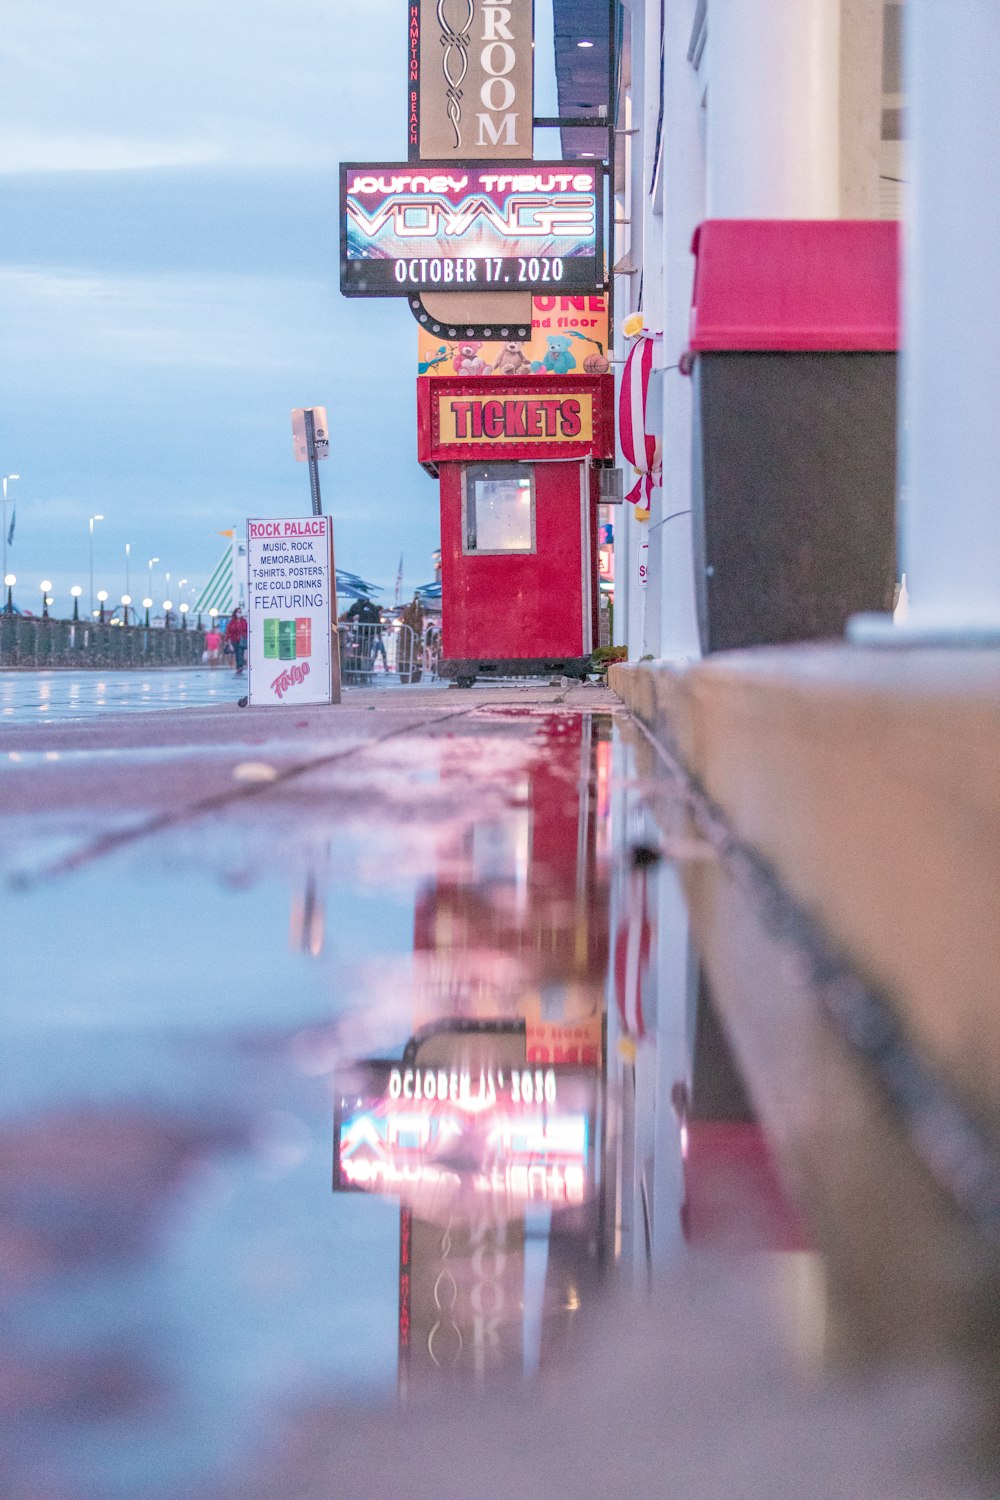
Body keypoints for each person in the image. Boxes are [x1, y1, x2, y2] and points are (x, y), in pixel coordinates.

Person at [225, 606, 248, 674]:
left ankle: (240, 666)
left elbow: (246, 629)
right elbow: (228, 631)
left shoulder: (244, 621)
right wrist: (227, 640)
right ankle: (238, 666)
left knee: (240, 652)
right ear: (235, 613)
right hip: (234, 639)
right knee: (236, 653)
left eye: (240, 612)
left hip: (242, 639)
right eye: (238, 612)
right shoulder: (232, 622)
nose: (239, 613)